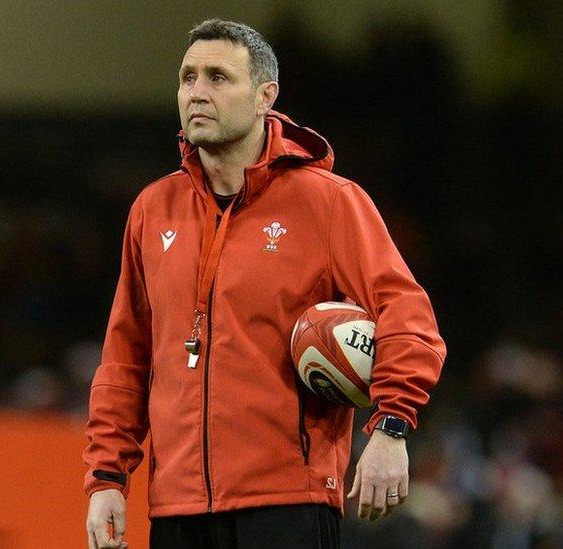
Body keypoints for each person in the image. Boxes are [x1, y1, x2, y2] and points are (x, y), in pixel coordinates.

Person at [84, 19, 446, 549]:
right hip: (177, 504)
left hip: (287, 502)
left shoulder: (328, 202)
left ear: (264, 96)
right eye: (188, 77)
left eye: (217, 77)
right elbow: (126, 357)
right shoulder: (151, 210)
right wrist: (107, 479)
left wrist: (392, 425)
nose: (197, 92)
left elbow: (407, 314)